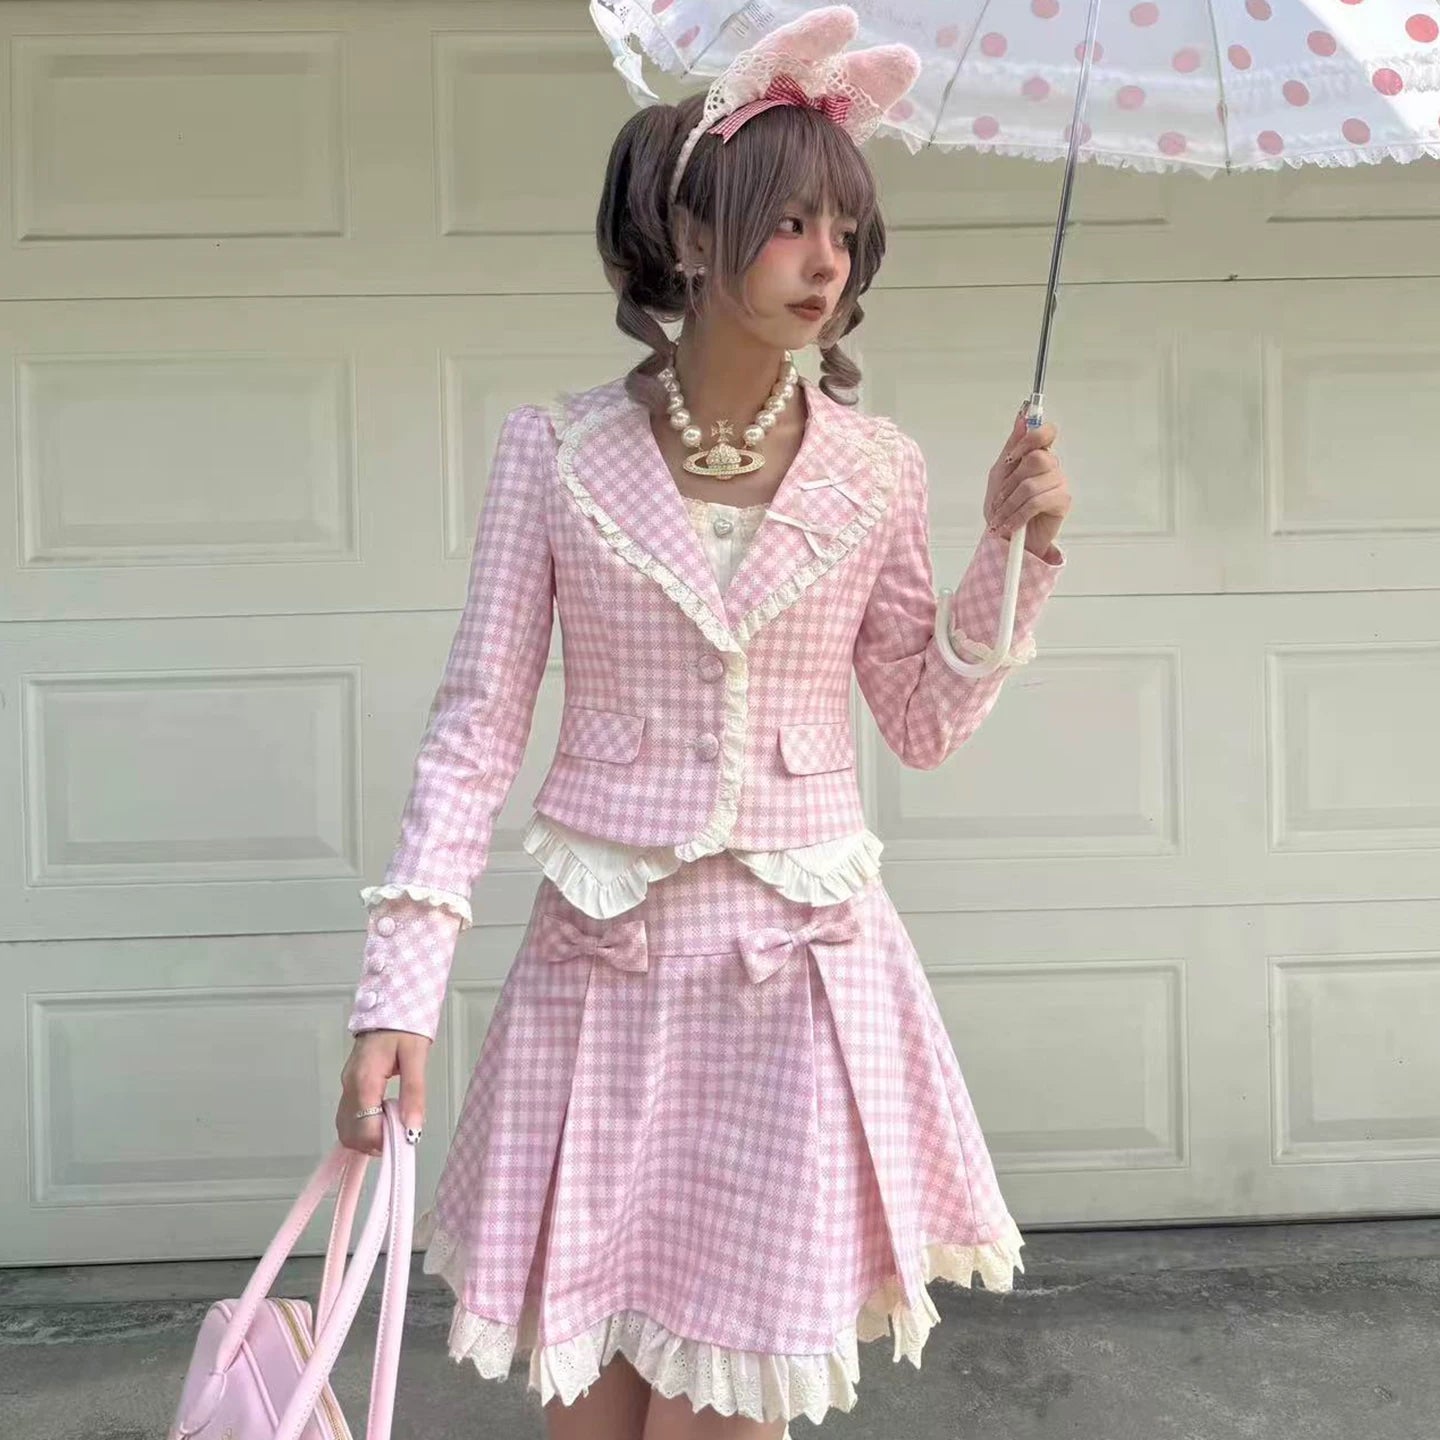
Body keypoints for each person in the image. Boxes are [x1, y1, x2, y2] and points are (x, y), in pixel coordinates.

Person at [336, 8, 1071, 1438]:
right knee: (593, 1410)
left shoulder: (878, 470)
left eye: (845, 233)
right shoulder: (554, 451)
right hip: (603, 984)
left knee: (719, 1420)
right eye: (790, 223)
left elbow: (917, 718)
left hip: (798, 989)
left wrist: (1013, 552)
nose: (825, 260)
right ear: (691, 237)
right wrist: (396, 993)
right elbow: (477, 726)